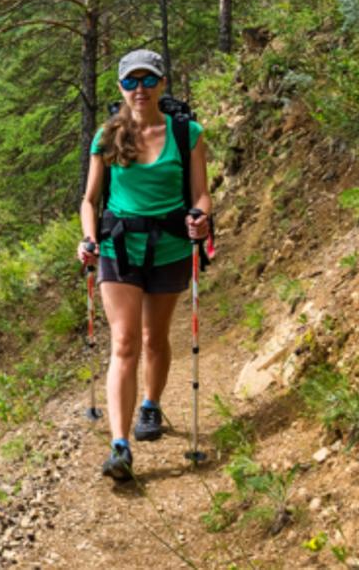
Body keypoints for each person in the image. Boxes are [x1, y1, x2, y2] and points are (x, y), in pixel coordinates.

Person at [77, 49, 211, 481]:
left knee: (155, 338)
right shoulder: (106, 136)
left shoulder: (186, 132)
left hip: (170, 247)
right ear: (120, 87)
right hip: (119, 249)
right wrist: (88, 237)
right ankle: (120, 446)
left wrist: (202, 218)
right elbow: (89, 200)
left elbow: (200, 193)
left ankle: (150, 405)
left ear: (162, 84)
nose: (140, 89)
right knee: (125, 343)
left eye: (148, 80)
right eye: (131, 82)